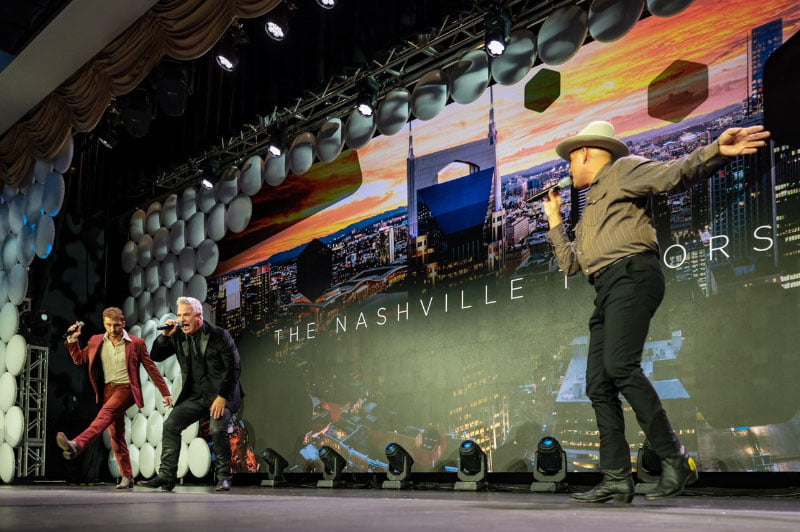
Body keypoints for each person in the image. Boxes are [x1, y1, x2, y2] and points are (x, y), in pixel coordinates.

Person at [542, 121, 770, 502]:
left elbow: (672, 174)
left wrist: (716, 150)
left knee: (619, 366)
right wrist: (554, 219)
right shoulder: (591, 205)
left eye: (569, 161)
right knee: (598, 384)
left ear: (582, 154)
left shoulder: (622, 170)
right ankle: (617, 478)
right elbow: (570, 264)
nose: (568, 169)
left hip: (632, 275)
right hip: (606, 289)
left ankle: (675, 459)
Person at [56, 307, 172, 489]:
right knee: (116, 435)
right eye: (108, 325)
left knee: (103, 417)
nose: (112, 329)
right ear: (104, 324)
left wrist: (165, 392)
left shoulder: (136, 343)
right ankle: (127, 476)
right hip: (108, 391)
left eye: (116, 325)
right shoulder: (96, 341)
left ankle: (77, 444)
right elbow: (79, 359)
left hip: (126, 389)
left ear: (123, 323)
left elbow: (151, 368)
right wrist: (73, 339)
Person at [138, 296, 245, 492]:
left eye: (186, 315)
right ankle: (166, 476)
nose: (181, 319)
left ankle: (224, 477)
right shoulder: (178, 335)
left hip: (222, 394)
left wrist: (222, 397)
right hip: (196, 395)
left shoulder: (219, 335)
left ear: (199, 316)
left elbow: (234, 368)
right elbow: (156, 356)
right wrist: (165, 336)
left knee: (216, 428)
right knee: (171, 425)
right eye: (179, 315)